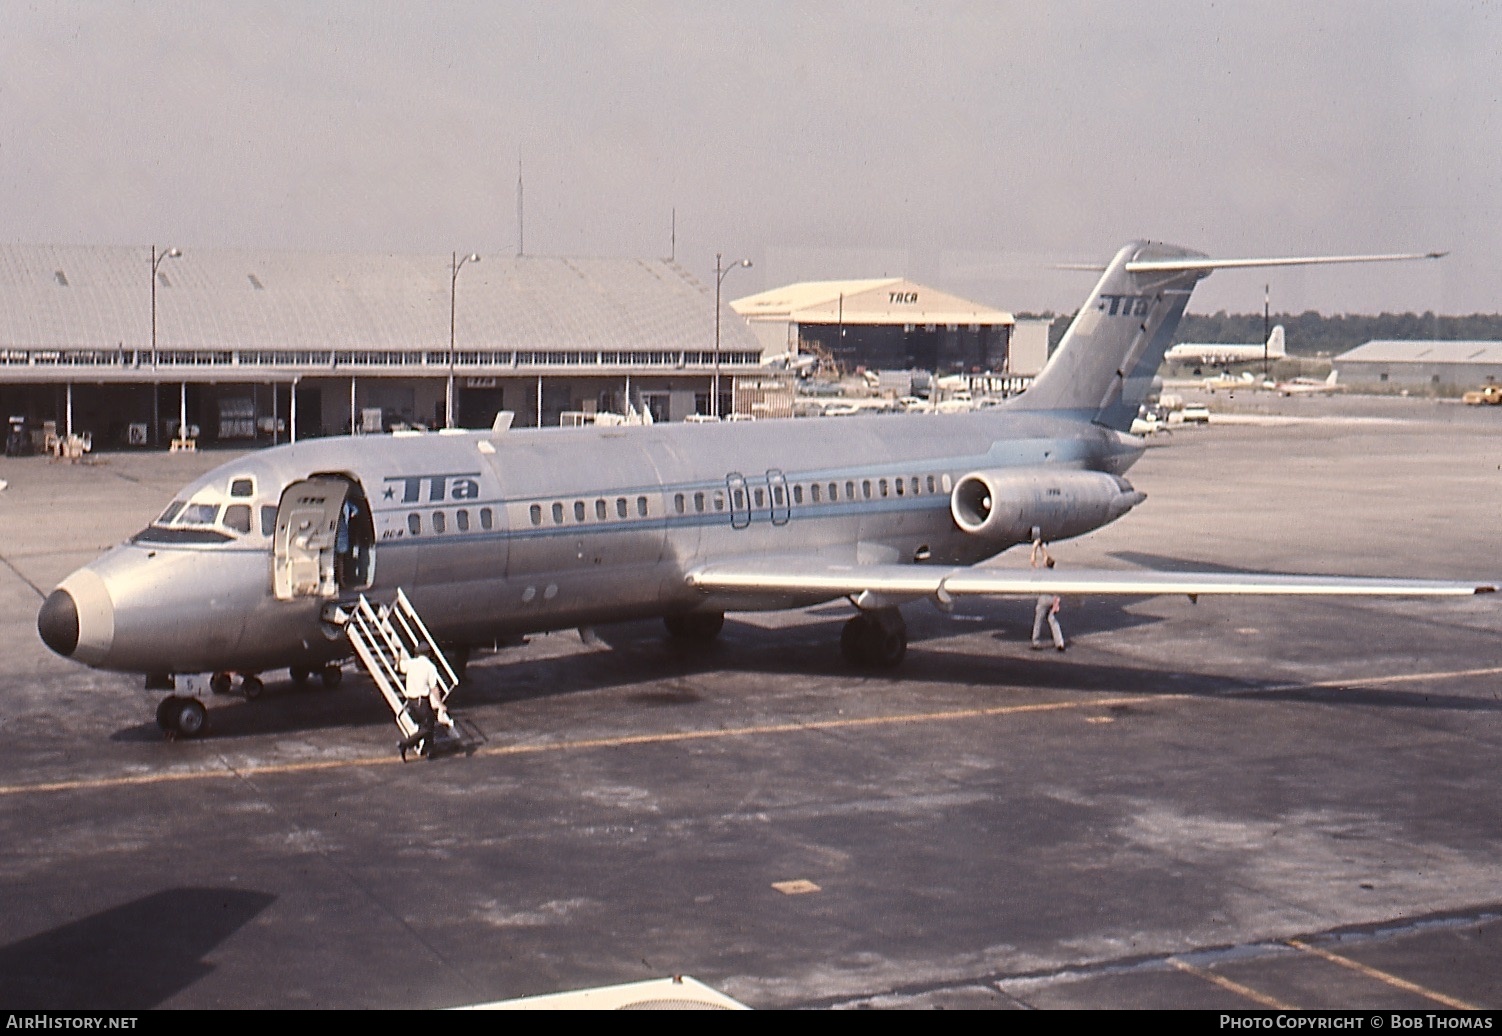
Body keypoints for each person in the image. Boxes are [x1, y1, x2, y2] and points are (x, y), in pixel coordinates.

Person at [397, 644, 453, 759]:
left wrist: (398, 657)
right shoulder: (430, 667)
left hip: (410, 701)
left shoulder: (411, 663)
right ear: (428, 654)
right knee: (427, 728)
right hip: (421, 700)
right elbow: (434, 687)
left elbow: (400, 667)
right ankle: (406, 744)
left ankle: (429, 751)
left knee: (429, 723)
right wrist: (440, 703)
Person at [1031, 542, 1065, 652]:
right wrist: (1043, 547)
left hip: (1043, 599)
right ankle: (1059, 642)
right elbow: (1047, 558)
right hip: (1053, 599)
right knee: (1052, 620)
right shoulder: (1054, 573)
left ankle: (1035, 642)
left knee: (1038, 620)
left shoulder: (1042, 572)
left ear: (1045, 564)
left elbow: (1033, 561)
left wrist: (1034, 548)